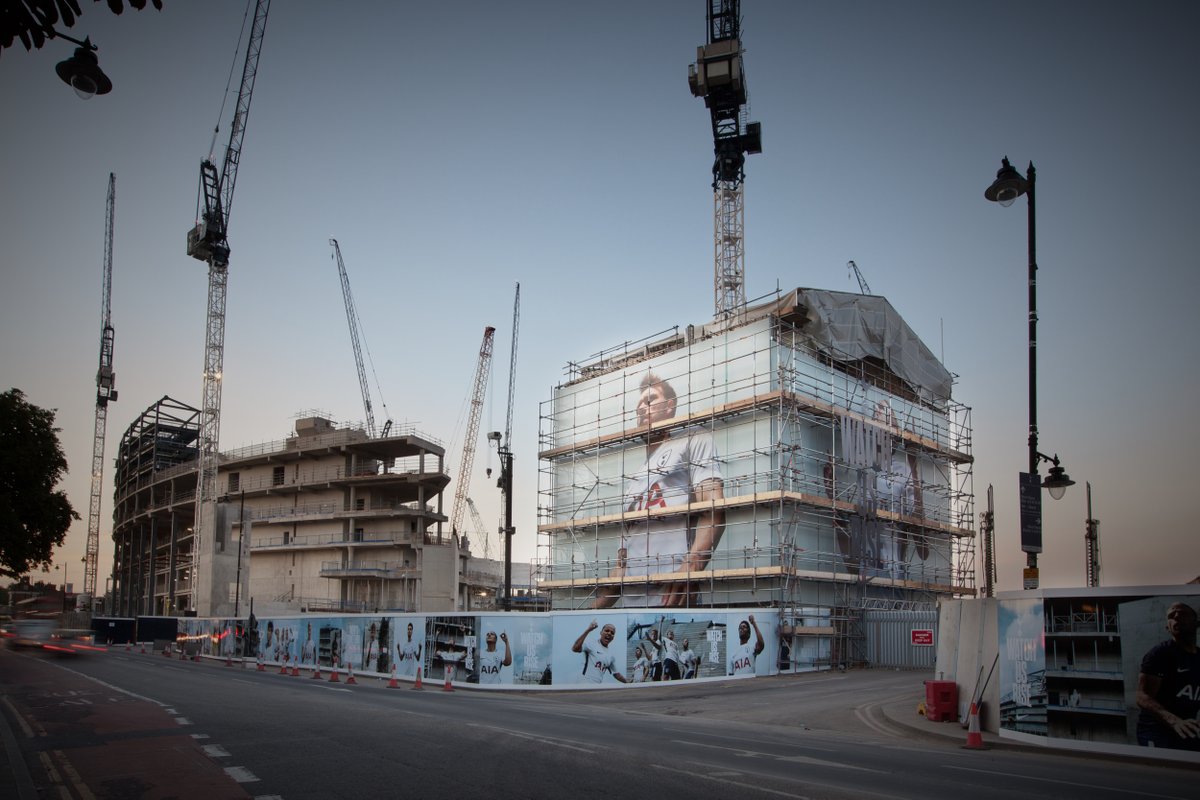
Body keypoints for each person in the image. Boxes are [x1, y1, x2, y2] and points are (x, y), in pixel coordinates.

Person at [595, 372, 725, 608]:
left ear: (670, 406)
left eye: (650, 400)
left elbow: (713, 510)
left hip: (670, 599)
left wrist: (691, 567)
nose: (642, 409)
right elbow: (622, 562)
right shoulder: (633, 481)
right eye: (638, 406)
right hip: (629, 608)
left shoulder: (693, 440)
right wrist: (589, 611)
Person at [1136, 601, 1200, 750]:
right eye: (1171, 616)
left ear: (1196, 623)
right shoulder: (1160, 654)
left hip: (1186, 729)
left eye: (1183, 613)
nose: (1176, 616)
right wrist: (1174, 720)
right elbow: (1141, 695)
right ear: (1167, 627)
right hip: (1155, 732)